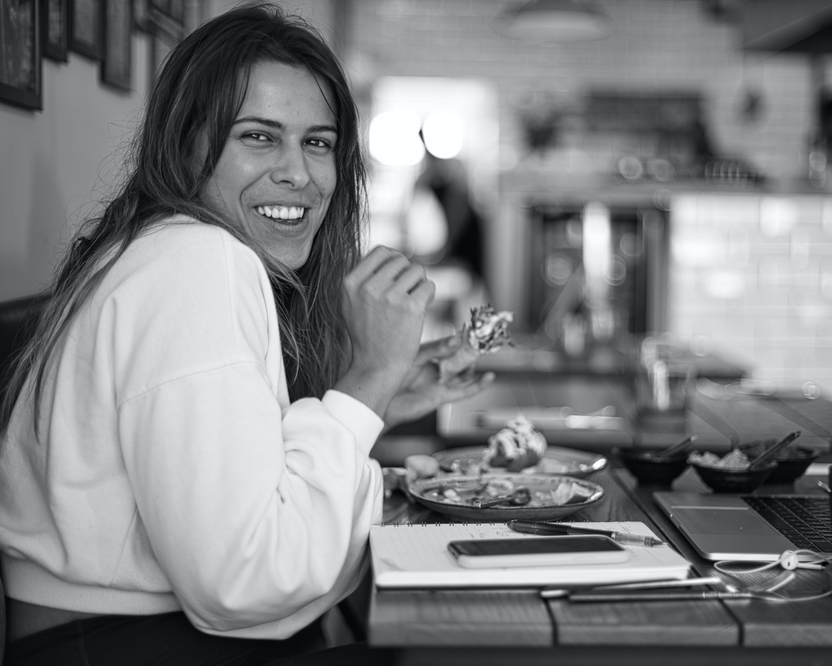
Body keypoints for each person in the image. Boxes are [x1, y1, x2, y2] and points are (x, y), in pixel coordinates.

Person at [0, 4, 492, 664]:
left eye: (318, 142)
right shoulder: (198, 260)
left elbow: (221, 469)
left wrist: (378, 399)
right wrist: (366, 379)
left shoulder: (161, 248)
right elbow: (250, 577)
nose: (300, 174)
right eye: (259, 137)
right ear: (189, 144)